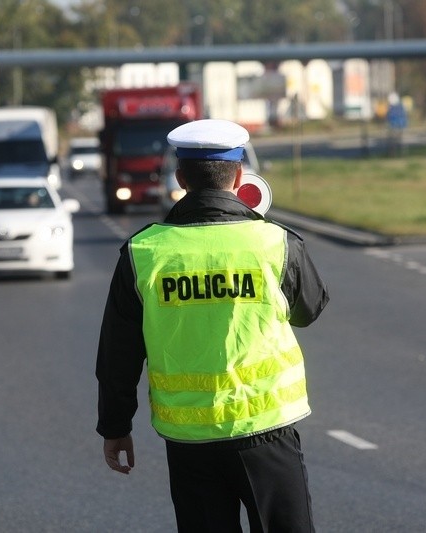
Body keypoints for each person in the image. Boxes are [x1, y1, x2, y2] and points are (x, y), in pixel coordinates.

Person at [96, 119, 329, 532]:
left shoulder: (144, 251)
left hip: (190, 440)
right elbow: (309, 310)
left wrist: (116, 427)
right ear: (240, 176)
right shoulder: (275, 242)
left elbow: (119, 353)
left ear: (181, 177)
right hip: (266, 429)